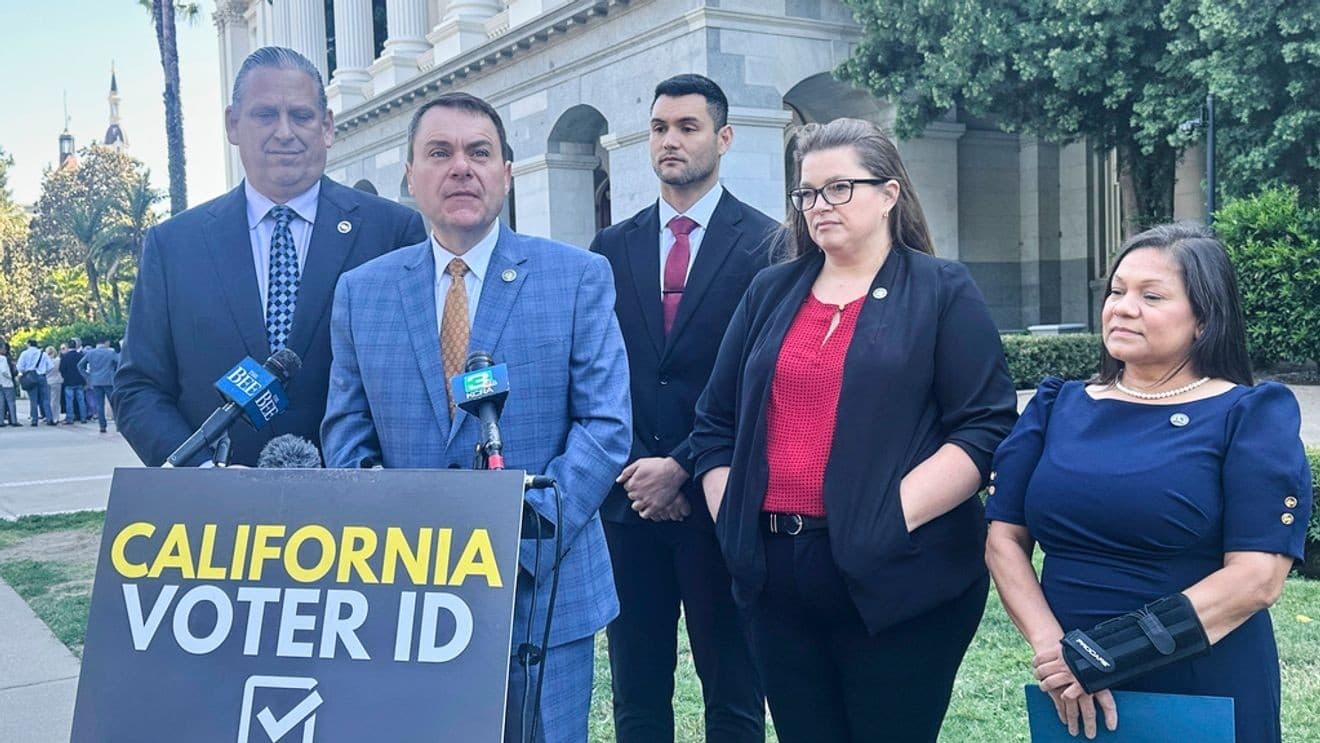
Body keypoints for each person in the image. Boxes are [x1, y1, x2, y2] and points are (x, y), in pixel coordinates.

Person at [690, 117, 1018, 742]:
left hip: (900, 576)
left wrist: (887, 517)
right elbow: (713, 424)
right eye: (808, 193)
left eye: (839, 188)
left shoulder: (941, 289)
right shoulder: (770, 290)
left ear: (889, 193)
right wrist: (734, 514)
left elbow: (984, 426)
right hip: (775, 576)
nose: (819, 206)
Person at [321, 91, 631, 743]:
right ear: (411, 174)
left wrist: (519, 538)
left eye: (479, 152)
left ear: (507, 173)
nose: (461, 167)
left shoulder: (578, 277)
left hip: (543, 592)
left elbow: (605, 427)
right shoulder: (362, 293)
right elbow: (346, 434)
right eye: (440, 152)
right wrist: (407, 546)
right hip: (409, 598)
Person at [985, 224, 1313, 743]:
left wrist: (1103, 656)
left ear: (1204, 319)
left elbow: (1256, 579)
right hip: (1071, 690)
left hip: (1202, 681)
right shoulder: (1056, 406)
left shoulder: (1249, 414)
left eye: (1151, 296)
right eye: (1116, 291)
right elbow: (1004, 539)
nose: (1122, 307)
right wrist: (1058, 654)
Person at [113, 46, 425, 466]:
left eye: (301, 116)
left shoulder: (392, 232)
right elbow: (139, 386)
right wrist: (199, 473)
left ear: (327, 127)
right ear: (233, 124)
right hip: (218, 512)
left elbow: (418, 377)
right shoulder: (174, 246)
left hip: (357, 507)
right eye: (265, 115)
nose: (284, 132)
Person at [590, 73, 772, 743]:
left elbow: (763, 383)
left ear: (723, 137)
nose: (671, 140)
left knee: (734, 693)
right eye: (660, 128)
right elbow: (599, 373)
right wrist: (641, 470)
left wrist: (684, 465)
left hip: (720, 504)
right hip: (628, 509)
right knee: (637, 693)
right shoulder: (611, 248)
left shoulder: (769, 247)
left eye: (688, 126)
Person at [79, 339, 118, 433]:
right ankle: (119, 425)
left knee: (99, 405)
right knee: (114, 403)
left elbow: (80, 365)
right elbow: (119, 362)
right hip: (108, 381)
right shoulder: (110, 353)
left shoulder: (90, 353)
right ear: (106, 343)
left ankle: (102, 426)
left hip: (95, 381)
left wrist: (88, 377)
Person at [16, 339, 56, 427]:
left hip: (30, 377)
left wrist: (25, 371)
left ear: (29, 344)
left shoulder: (24, 354)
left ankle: (34, 420)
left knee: (33, 400)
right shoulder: (43, 354)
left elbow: (19, 367)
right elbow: (50, 366)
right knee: (45, 399)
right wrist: (43, 372)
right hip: (42, 377)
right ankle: (49, 418)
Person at [60, 339, 87, 424]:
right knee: (81, 400)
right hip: (79, 380)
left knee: (69, 400)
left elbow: (61, 369)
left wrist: (65, 377)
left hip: (68, 381)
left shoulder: (65, 357)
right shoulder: (80, 356)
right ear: (76, 346)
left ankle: (70, 418)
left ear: (68, 347)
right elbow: (84, 367)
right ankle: (83, 417)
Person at [0, 341, 17, 427]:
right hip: (7, 382)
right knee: (11, 402)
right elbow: (4, 371)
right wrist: (10, 377)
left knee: (1, 402)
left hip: (0, 383)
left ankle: (1, 421)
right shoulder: (4, 359)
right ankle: (13, 420)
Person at [45, 346, 63, 422]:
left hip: (47, 381)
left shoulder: (45, 361)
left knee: (48, 400)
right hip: (57, 381)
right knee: (56, 400)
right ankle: (56, 417)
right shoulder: (58, 360)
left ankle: (49, 416)